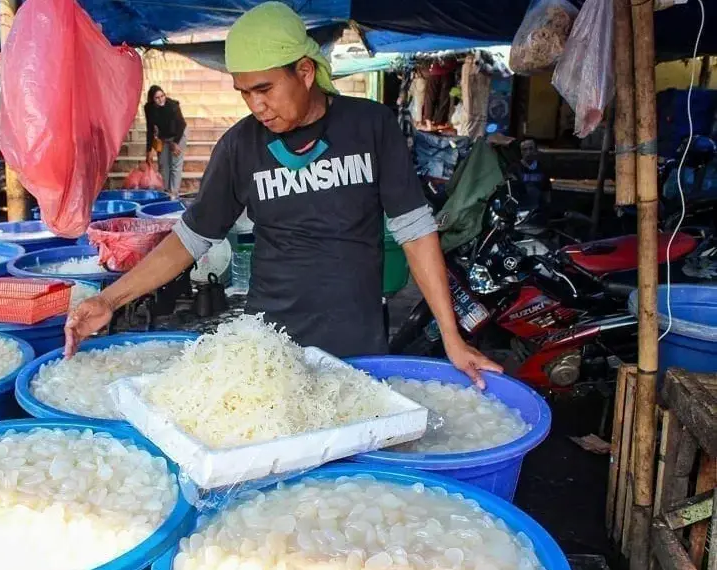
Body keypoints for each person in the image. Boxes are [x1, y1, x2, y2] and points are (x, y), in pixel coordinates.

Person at [66, 2, 501, 387]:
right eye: (244, 92)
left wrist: (450, 335)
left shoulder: (371, 126)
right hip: (271, 350)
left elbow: (415, 231)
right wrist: (108, 299)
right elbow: (190, 240)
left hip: (359, 342)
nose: (256, 106)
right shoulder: (239, 148)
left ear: (305, 73)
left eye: (265, 89)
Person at [144, 85, 187, 196]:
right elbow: (150, 129)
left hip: (178, 135)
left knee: (175, 165)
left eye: (162, 96)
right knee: (163, 165)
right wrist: (148, 150)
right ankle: (167, 192)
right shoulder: (149, 108)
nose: (161, 99)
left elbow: (182, 124)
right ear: (152, 99)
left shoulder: (172, 106)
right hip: (163, 137)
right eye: (157, 98)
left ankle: (174, 193)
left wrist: (175, 143)